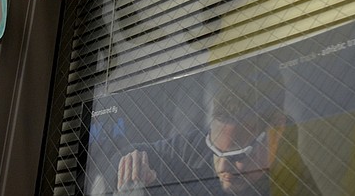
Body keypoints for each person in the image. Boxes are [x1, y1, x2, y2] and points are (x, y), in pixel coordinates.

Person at [116, 62, 319, 195]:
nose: (221, 166)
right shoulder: (205, 143)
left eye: (237, 155)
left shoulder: (294, 186)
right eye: (215, 151)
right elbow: (128, 154)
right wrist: (131, 162)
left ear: (276, 129)